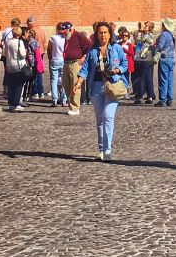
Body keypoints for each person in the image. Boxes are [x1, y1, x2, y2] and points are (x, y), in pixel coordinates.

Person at [78, 20, 130, 161]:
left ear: (110, 34)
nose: (103, 35)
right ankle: (101, 149)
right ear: (96, 35)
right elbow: (85, 69)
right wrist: (78, 83)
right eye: (100, 33)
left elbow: (125, 63)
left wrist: (118, 70)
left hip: (112, 86)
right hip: (96, 86)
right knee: (100, 119)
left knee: (108, 116)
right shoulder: (93, 51)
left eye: (105, 32)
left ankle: (108, 150)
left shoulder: (117, 48)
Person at [63, 24, 92, 116]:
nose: (64, 34)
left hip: (75, 63)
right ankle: (71, 103)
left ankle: (75, 107)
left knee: (75, 84)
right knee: (66, 84)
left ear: (70, 29)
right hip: (66, 63)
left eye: (65, 32)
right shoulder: (66, 37)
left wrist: (84, 57)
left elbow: (89, 46)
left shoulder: (79, 35)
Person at [2, 23, 30, 113]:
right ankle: (16, 104)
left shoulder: (8, 42)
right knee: (19, 86)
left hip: (9, 65)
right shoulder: (19, 42)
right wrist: (25, 52)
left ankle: (11, 104)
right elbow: (22, 54)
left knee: (11, 86)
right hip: (18, 66)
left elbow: (4, 54)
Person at [154, 19, 176, 106]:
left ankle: (162, 99)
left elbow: (160, 46)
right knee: (170, 79)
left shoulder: (163, 34)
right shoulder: (171, 34)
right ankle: (169, 99)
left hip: (164, 58)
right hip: (171, 58)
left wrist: (155, 49)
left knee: (163, 79)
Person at [134, 21, 156, 103]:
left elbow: (138, 39)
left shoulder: (148, 35)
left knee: (142, 77)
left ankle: (140, 97)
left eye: (146, 26)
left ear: (150, 28)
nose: (145, 26)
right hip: (146, 57)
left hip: (144, 57)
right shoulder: (146, 34)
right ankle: (150, 96)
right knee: (148, 77)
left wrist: (140, 30)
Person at [47, 23, 68, 106]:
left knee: (53, 80)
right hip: (63, 60)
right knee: (64, 80)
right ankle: (64, 99)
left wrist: (50, 58)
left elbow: (49, 49)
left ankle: (54, 99)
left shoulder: (53, 38)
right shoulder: (66, 38)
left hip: (54, 60)